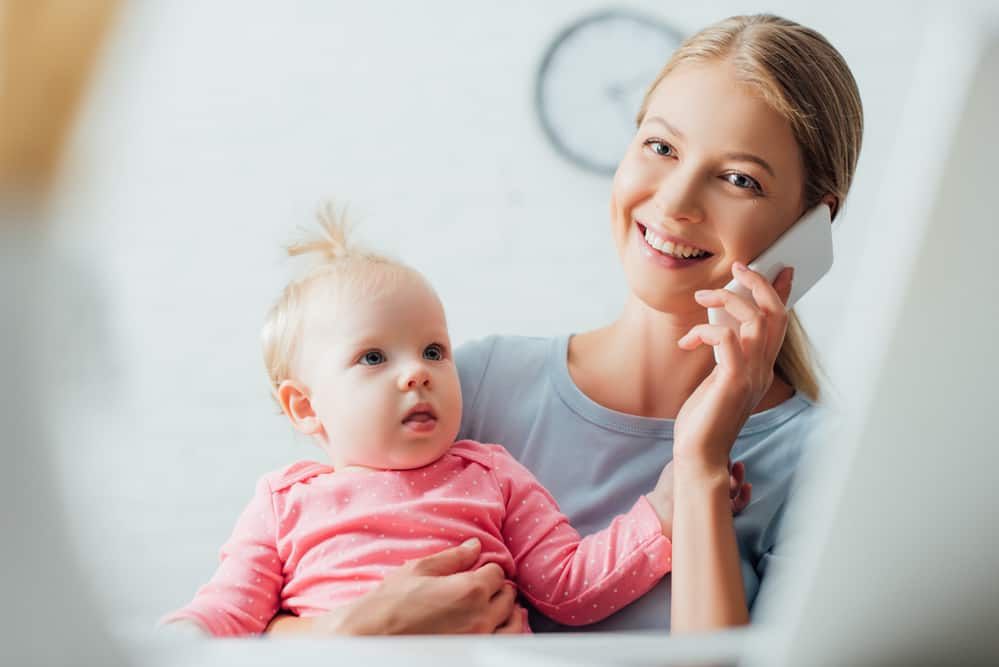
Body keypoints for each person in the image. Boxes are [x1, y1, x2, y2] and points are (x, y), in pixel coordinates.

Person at [267, 12, 863, 635]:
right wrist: (353, 631)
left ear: (811, 227)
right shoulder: (468, 388)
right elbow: (267, 613)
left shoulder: (825, 465)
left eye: (739, 179)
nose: (676, 202)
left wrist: (702, 467)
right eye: (661, 147)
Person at [161, 212, 751, 637]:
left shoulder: (491, 473)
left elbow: (570, 589)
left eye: (434, 351)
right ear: (305, 407)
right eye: (373, 358)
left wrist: (667, 513)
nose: (416, 373)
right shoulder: (283, 503)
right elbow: (228, 613)